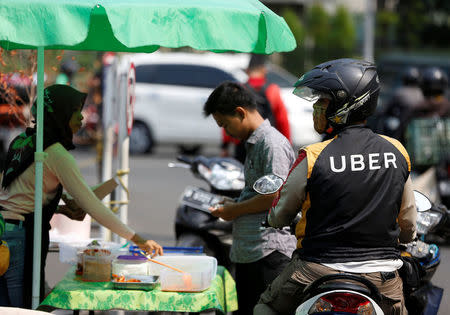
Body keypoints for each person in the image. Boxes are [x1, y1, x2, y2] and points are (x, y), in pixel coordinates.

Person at [254, 59, 417, 315]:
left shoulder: (313, 156)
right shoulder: (396, 151)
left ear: (346, 104)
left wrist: (274, 219)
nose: (317, 107)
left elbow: (281, 213)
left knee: (264, 307)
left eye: (324, 101)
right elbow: (407, 220)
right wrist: (407, 239)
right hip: (381, 277)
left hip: (316, 270)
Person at [0, 84, 163, 308]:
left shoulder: (22, 142)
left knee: (8, 307)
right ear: (60, 114)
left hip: (5, 234)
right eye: (75, 110)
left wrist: (59, 208)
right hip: (20, 240)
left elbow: (15, 195)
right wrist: (137, 239)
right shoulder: (55, 153)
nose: (82, 116)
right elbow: (93, 205)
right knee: (25, 309)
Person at [203, 81, 297, 314]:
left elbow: (275, 197)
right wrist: (234, 204)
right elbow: (259, 194)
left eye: (225, 124)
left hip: (268, 253)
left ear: (240, 113)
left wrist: (234, 211)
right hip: (251, 252)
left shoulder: (271, 143)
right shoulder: (255, 143)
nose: (226, 132)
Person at [221, 54, 291, 163]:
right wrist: (287, 144)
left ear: (247, 71)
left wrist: (225, 146)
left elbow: (229, 120)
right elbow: (282, 120)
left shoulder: (239, 89)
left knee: (243, 176)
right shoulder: (273, 90)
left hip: (243, 144)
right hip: (268, 143)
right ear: (264, 70)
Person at [379, 66, 425, 143]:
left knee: (389, 124)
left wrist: (380, 113)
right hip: (418, 126)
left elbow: (387, 109)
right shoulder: (421, 93)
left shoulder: (400, 92)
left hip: (403, 127)